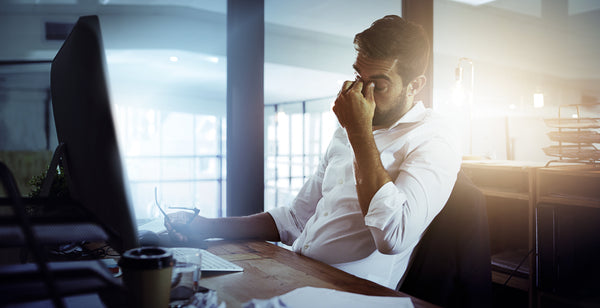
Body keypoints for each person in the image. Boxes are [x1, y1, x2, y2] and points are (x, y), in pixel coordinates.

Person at [166, 15, 461, 289]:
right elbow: (295, 219)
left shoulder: (435, 139)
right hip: (297, 270)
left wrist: (359, 133)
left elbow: (393, 236)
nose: (362, 94)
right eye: (359, 76)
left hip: (350, 292)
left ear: (416, 86)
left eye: (379, 86)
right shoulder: (349, 128)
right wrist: (206, 227)